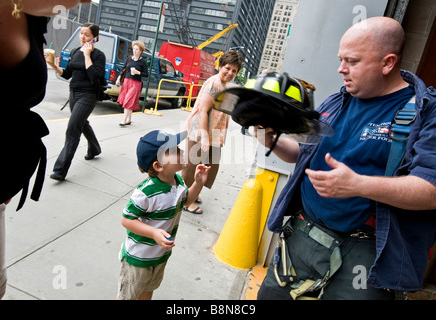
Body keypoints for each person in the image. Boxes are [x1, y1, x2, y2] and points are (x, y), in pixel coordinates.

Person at [255, 17, 436, 300]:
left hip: (364, 257)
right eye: (341, 59)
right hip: (301, 237)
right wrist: (272, 140)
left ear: (387, 63)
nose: (341, 69)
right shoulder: (337, 101)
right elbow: (304, 156)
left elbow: (431, 190)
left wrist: (358, 185)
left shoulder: (426, 114)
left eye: (352, 61)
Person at [0, 0, 92, 300]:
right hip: (77, 97)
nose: (83, 2)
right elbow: (67, 74)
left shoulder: (32, 16)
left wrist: (9, 173)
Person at [117, 130, 210, 300]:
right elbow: (126, 219)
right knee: (128, 296)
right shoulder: (146, 192)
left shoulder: (178, 181)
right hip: (139, 257)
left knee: (148, 289)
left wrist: (198, 183)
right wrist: (153, 232)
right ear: (158, 166)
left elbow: (185, 202)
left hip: (159, 256)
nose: (182, 151)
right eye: (174, 151)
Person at [181, 50, 243, 214]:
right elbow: (203, 111)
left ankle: (194, 192)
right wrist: (205, 138)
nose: (229, 73)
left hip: (215, 133)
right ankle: (185, 201)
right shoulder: (213, 83)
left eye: (234, 71)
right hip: (202, 132)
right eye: (227, 68)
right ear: (220, 66)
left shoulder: (226, 86)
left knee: (208, 166)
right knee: (193, 165)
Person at [46, 23, 106, 181]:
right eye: (81, 33)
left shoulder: (98, 55)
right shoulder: (74, 52)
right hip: (74, 93)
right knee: (82, 123)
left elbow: (94, 76)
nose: (83, 37)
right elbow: (66, 74)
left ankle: (60, 169)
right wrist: (53, 65)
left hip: (88, 95)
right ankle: (95, 149)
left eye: (87, 35)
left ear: (95, 37)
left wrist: (87, 55)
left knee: (73, 127)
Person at [116, 40, 148, 126]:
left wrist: (138, 72)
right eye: (134, 49)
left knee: (128, 100)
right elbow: (124, 69)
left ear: (141, 51)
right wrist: (119, 78)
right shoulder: (129, 58)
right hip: (126, 81)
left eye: (137, 49)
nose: (135, 51)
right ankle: (129, 119)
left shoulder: (143, 62)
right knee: (126, 100)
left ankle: (124, 120)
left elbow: (146, 74)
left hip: (136, 83)